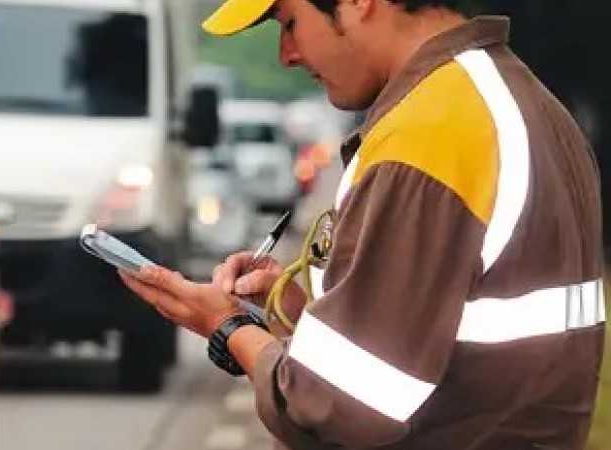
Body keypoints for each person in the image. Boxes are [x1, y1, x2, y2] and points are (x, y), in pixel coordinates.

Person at [119, 0, 606, 449]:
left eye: (290, 23)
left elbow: (340, 406)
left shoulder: (429, 132)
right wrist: (295, 302)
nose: (287, 54)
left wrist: (226, 327)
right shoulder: (524, 103)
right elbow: (461, 315)